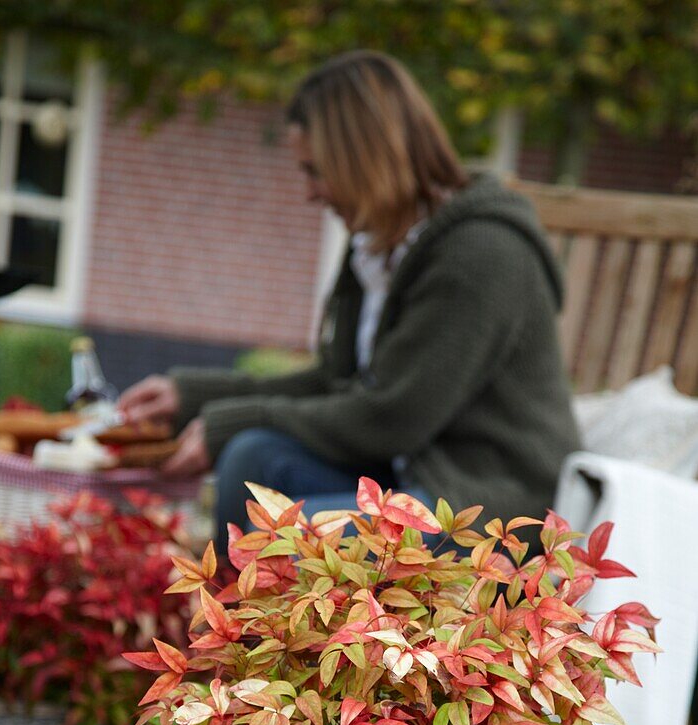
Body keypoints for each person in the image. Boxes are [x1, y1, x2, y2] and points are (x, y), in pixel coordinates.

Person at [119, 50, 580, 553]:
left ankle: (251, 628)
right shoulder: (380, 246)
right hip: (406, 477)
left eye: (317, 171)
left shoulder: (482, 254)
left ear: (364, 159)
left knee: (292, 543)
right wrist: (193, 397)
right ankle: (237, 630)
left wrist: (238, 416)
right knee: (253, 459)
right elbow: (335, 383)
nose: (311, 192)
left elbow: (390, 417)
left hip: (484, 504)